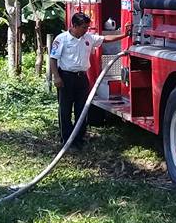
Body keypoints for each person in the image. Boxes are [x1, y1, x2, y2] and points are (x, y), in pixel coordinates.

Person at [49, 12, 131, 148]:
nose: (86, 30)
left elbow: (105, 39)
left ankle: (79, 139)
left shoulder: (88, 38)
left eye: (87, 27)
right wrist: (56, 77)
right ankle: (67, 140)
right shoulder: (61, 39)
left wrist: (124, 35)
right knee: (65, 109)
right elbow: (53, 59)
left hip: (82, 78)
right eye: (83, 27)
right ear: (74, 26)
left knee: (82, 109)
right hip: (66, 77)